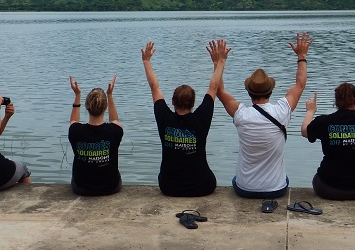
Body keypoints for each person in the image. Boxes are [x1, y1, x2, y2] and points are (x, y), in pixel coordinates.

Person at [216, 32, 313, 199]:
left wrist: (219, 62)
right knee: (284, 178)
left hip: (244, 189)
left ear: (248, 92)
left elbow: (218, 90)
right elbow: (300, 84)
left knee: (236, 179)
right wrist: (301, 56)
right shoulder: (282, 111)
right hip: (276, 189)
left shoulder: (241, 114)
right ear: (271, 90)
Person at [141, 39, 230, 197]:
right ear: (194, 103)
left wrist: (146, 61)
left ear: (172, 101)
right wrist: (220, 61)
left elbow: (154, 87)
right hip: (202, 186)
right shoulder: (201, 118)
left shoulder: (164, 117)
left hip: (168, 186)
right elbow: (213, 87)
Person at [68, 75, 123, 196]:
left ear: (86, 106)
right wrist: (110, 95)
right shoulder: (115, 130)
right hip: (110, 187)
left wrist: (77, 95)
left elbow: (73, 121)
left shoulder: (75, 131)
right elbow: (115, 121)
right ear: (106, 107)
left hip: (81, 187)